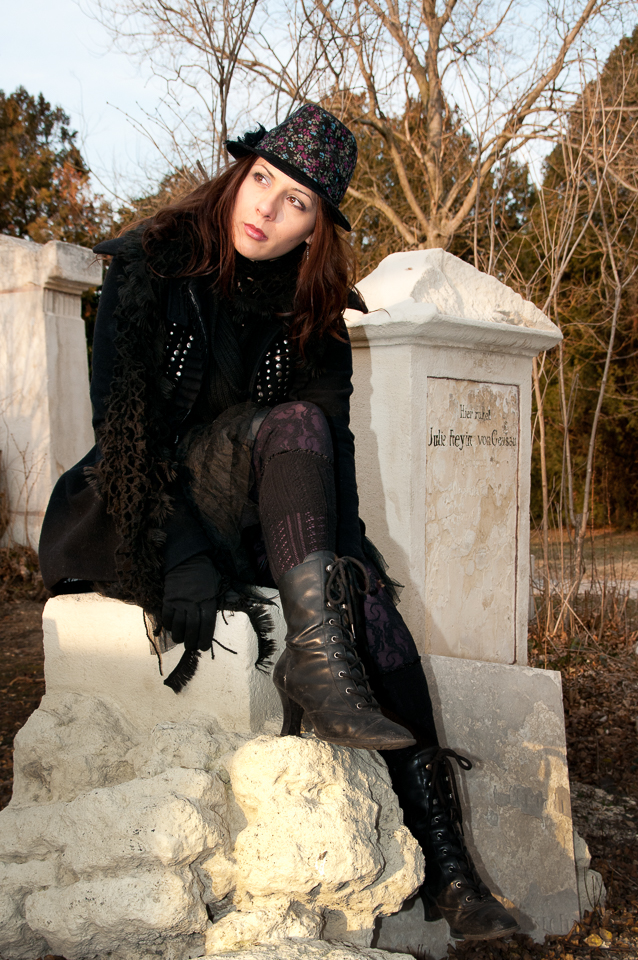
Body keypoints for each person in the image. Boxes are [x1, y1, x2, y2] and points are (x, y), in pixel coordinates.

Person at [39, 104, 518, 943]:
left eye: (296, 201)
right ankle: (321, 670)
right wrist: (182, 558)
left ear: (314, 229)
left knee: (370, 605)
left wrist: (352, 574)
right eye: (262, 179)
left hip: (261, 506)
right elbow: (124, 431)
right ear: (240, 174)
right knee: (293, 424)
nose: (266, 206)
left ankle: (451, 870)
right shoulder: (152, 262)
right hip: (144, 494)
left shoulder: (313, 312)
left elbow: (332, 460)